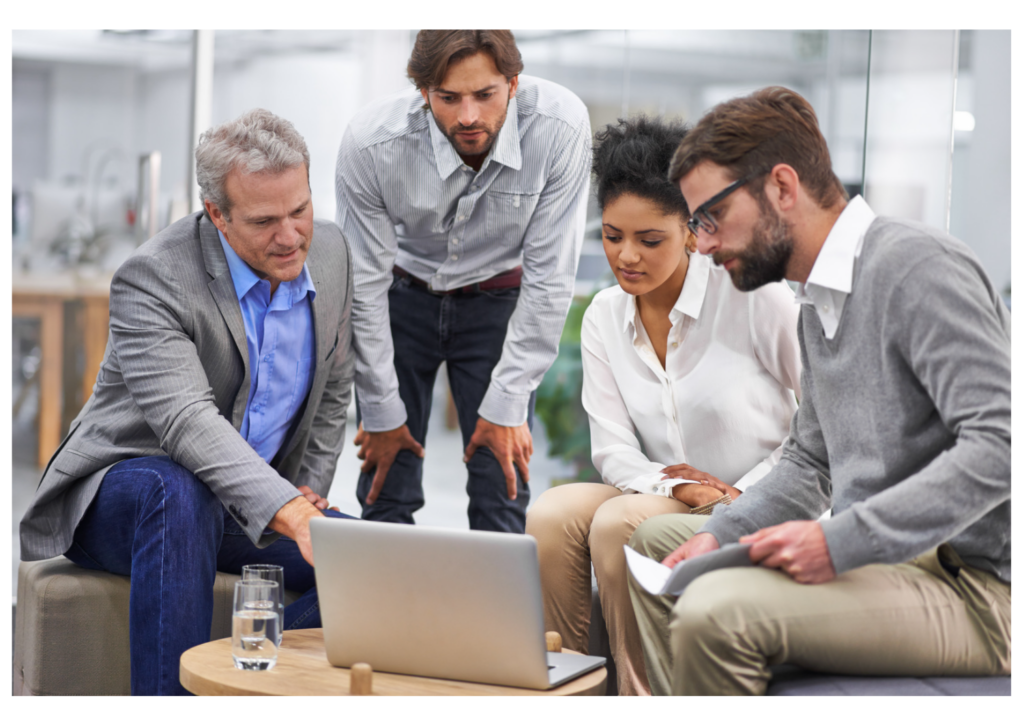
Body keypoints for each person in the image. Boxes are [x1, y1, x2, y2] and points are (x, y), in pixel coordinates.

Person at [627, 86, 1011, 695]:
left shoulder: (916, 269)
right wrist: (718, 534)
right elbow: (810, 462)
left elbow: (1001, 447)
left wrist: (839, 542)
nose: (702, 244)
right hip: (889, 556)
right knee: (659, 544)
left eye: (711, 218)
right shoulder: (816, 305)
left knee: (714, 612)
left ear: (782, 187)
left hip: (977, 589)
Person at [19, 108, 357, 696]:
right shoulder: (153, 278)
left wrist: (305, 490)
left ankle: (230, 680)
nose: (290, 235)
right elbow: (187, 422)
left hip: (241, 500)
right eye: (264, 220)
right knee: (175, 490)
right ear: (219, 217)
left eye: (299, 209)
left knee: (369, 563)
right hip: (124, 493)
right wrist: (291, 513)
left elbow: (334, 384)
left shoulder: (329, 251)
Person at [525, 116, 801, 695]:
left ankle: (642, 695)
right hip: (666, 494)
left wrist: (739, 493)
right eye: (611, 235)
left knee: (618, 521)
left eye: (650, 240)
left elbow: (821, 429)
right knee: (551, 513)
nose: (626, 256)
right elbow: (612, 448)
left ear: (694, 230)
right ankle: (570, 691)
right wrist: (679, 488)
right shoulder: (604, 313)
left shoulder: (756, 297)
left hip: (759, 499)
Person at [335, 30, 592, 532]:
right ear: (423, 91)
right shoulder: (372, 142)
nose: (468, 116)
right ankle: (385, 611)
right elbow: (363, 285)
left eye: (485, 95)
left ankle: (494, 614)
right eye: (448, 98)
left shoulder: (559, 127)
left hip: (498, 301)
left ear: (514, 83)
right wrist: (383, 411)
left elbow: (550, 277)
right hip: (400, 296)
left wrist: (508, 402)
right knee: (386, 487)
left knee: (500, 489)